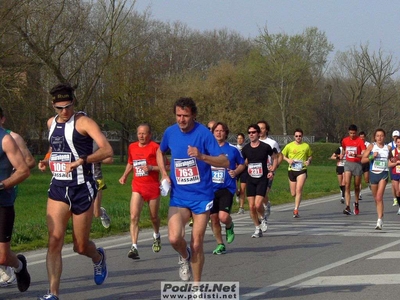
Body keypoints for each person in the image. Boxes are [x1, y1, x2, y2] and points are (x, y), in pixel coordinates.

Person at [37, 83, 113, 300]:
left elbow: (106, 150)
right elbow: (56, 147)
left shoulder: (84, 122)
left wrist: (83, 160)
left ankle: (98, 258)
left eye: (68, 106)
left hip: (81, 188)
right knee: (54, 240)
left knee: (80, 246)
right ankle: (53, 293)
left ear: (73, 102)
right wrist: (45, 160)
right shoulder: (51, 123)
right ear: (53, 105)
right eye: (60, 107)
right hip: (59, 188)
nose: (64, 111)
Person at [156, 97, 228, 282]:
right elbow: (159, 151)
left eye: (185, 116)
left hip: (202, 197)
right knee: (174, 238)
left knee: (197, 243)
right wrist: (164, 173)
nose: (181, 119)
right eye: (178, 115)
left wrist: (202, 156)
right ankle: (184, 256)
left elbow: (224, 161)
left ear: (193, 115)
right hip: (179, 196)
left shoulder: (203, 133)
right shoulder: (170, 132)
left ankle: (196, 287)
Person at [0, 107, 35, 287]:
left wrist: (4, 183)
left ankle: (19, 266)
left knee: (3, 256)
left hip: (3, 200)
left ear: (2, 120)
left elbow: (25, 167)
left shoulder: (8, 139)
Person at [119, 123, 162, 259]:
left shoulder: (156, 147)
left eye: (144, 133)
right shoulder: (132, 147)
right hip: (137, 186)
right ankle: (134, 246)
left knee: (153, 217)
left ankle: (156, 235)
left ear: (150, 134)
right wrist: (124, 175)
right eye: (139, 133)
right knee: (133, 216)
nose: (141, 136)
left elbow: (165, 166)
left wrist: (151, 168)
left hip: (152, 187)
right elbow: (131, 163)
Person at [210, 122, 245, 254]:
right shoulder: (208, 149)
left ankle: (229, 225)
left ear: (226, 133)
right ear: (213, 133)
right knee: (213, 218)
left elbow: (242, 164)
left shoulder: (232, 149)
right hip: (211, 189)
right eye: (216, 131)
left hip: (226, 187)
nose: (219, 133)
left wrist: (236, 172)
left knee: (223, 217)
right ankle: (220, 244)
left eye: (221, 130)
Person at [241, 124, 278, 237]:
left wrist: (272, 169)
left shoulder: (265, 147)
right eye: (249, 132)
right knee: (251, 206)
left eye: (253, 132)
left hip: (262, 179)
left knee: (258, 205)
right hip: (250, 179)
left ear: (258, 133)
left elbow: (275, 157)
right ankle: (257, 228)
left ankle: (263, 218)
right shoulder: (246, 148)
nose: (251, 134)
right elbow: (243, 163)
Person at [361, 129, 393, 230]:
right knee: (376, 198)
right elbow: (363, 160)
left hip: (383, 174)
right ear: (375, 137)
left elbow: (391, 159)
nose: (380, 138)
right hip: (373, 174)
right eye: (378, 136)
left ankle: (379, 220)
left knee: (379, 197)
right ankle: (380, 213)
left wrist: (393, 161)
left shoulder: (388, 148)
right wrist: (371, 156)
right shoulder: (371, 146)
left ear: (384, 137)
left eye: (381, 136)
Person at [281, 128, 313, 218]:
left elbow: (310, 156)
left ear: (302, 136)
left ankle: (296, 210)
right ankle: (296, 203)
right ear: (294, 137)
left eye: (300, 136)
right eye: (296, 136)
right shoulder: (289, 146)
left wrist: (308, 161)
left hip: (302, 170)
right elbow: (281, 155)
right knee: (293, 193)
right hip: (291, 170)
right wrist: (288, 160)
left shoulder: (306, 146)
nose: (298, 137)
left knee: (299, 190)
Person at [257, 120, 282, 218]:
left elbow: (280, 156)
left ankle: (263, 213)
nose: (260, 130)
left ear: (266, 130)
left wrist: (274, 167)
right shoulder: (254, 142)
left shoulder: (272, 143)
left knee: (263, 193)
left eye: (262, 128)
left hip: (268, 172)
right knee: (259, 195)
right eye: (258, 128)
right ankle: (266, 204)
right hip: (256, 172)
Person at [341, 124, 366, 215]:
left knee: (356, 185)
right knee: (347, 184)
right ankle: (347, 206)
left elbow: (363, 154)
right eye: (351, 133)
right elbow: (344, 149)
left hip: (357, 164)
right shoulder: (345, 140)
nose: (352, 135)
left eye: (354, 133)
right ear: (348, 132)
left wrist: (356, 155)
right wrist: (342, 155)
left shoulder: (359, 141)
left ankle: (356, 203)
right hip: (348, 163)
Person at [93, 161, 112, 228]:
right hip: (81, 179)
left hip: (96, 178)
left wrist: (95, 158)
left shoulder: (97, 149)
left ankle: (102, 212)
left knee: (96, 213)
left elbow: (109, 159)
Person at [235, 133, 247, 214]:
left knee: (243, 189)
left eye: (241, 138)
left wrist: (244, 164)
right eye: (238, 138)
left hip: (244, 170)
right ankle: (237, 193)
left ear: (244, 140)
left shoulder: (246, 148)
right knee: (235, 187)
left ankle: (241, 207)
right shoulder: (234, 148)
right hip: (235, 169)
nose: (240, 140)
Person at [389, 137, 400, 215]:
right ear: (396, 143)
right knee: (398, 192)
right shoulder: (393, 152)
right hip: (395, 173)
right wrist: (396, 163)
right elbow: (389, 164)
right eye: (398, 142)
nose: (399, 144)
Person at [358, 131, 370, 200]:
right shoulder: (357, 144)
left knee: (366, 179)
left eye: (363, 137)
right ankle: (359, 194)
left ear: (365, 137)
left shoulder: (368, 144)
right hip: (359, 163)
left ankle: (369, 184)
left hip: (365, 163)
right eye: (360, 137)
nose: (362, 138)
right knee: (359, 179)